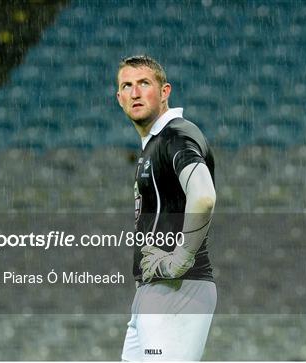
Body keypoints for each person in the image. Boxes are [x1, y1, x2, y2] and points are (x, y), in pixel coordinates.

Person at [116, 55, 217, 361]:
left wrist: (180, 258)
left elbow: (204, 195)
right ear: (118, 97)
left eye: (144, 83)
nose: (135, 92)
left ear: (164, 91)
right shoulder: (155, 144)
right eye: (127, 86)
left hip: (177, 288)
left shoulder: (175, 134)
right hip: (154, 291)